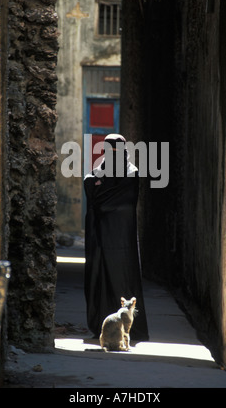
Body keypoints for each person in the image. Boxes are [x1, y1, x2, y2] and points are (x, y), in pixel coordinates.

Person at [84, 133, 149, 342]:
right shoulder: (95, 175)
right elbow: (94, 195)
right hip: (103, 237)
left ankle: (128, 327)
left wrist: (101, 192)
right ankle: (104, 325)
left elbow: (120, 201)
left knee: (122, 277)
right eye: (110, 153)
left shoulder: (131, 175)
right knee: (101, 277)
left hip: (122, 241)